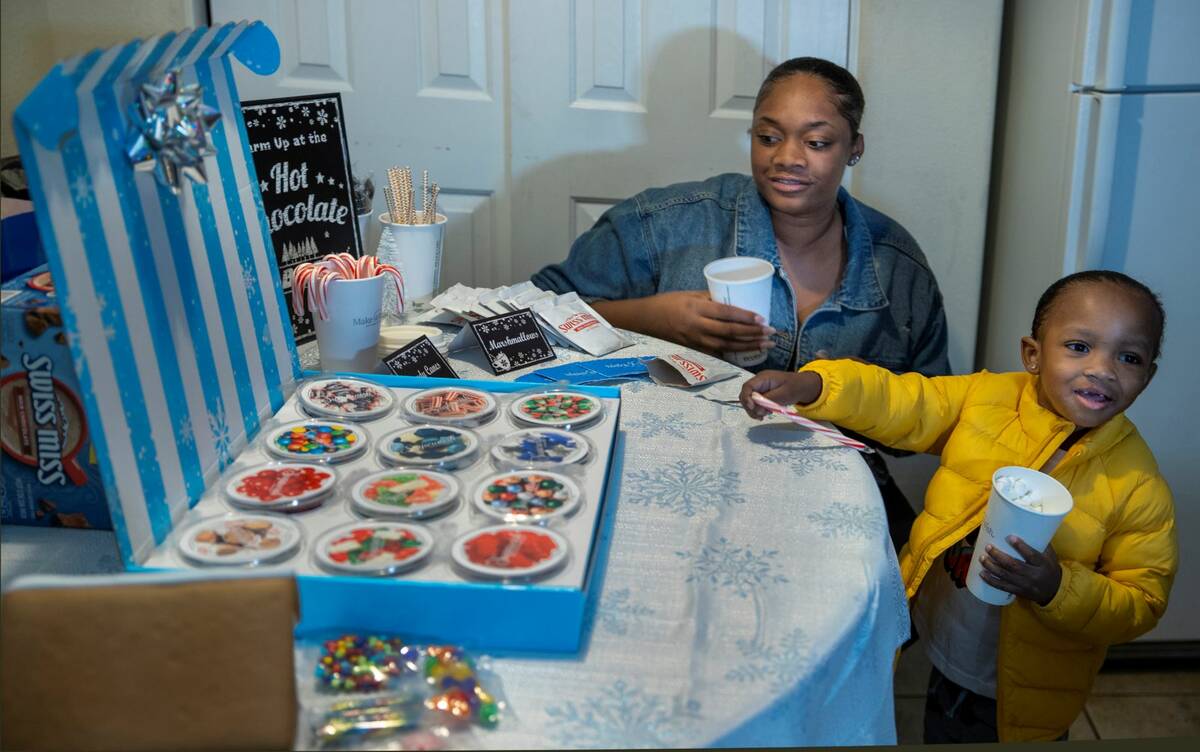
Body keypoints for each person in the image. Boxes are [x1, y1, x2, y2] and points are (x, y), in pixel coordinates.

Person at [738, 270, 1177, 743]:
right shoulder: (985, 399)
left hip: (1018, 690)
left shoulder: (1138, 485)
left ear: (1147, 376)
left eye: (1128, 357)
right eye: (1078, 347)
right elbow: (905, 401)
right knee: (938, 717)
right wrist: (817, 386)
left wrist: (1057, 587)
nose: (1102, 369)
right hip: (947, 636)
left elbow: (1142, 601)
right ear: (1033, 354)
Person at [532, 56, 951, 549]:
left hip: (828, 498)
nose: (787, 158)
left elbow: (931, 417)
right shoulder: (665, 224)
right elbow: (527, 316)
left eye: (816, 142)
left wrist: (828, 393)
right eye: (768, 138)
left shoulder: (896, 267)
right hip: (670, 477)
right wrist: (651, 319)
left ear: (854, 148)